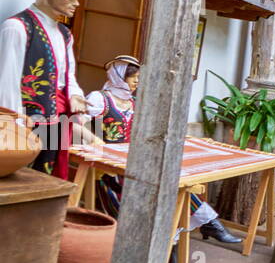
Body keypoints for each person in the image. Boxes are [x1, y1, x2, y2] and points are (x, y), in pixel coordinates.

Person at [83, 54, 242, 246]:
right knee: (153, 193)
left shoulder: (133, 102)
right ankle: (185, 236)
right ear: (119, 77)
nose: (137, 83)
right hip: (111, 171)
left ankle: (205, 224)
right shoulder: (100, 99)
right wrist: (97, 142)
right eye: (134, 79)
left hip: (133, 162)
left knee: (170, 185)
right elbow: (75, 124)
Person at [0, 0, 91, 178]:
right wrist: (13, 121)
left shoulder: (65, 33)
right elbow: (7, 81)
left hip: (55, 119)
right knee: (17, 176)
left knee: (45, 176)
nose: (76, 3)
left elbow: (67, 75)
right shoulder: (18, 27)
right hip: (25, 119)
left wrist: (75, 95)